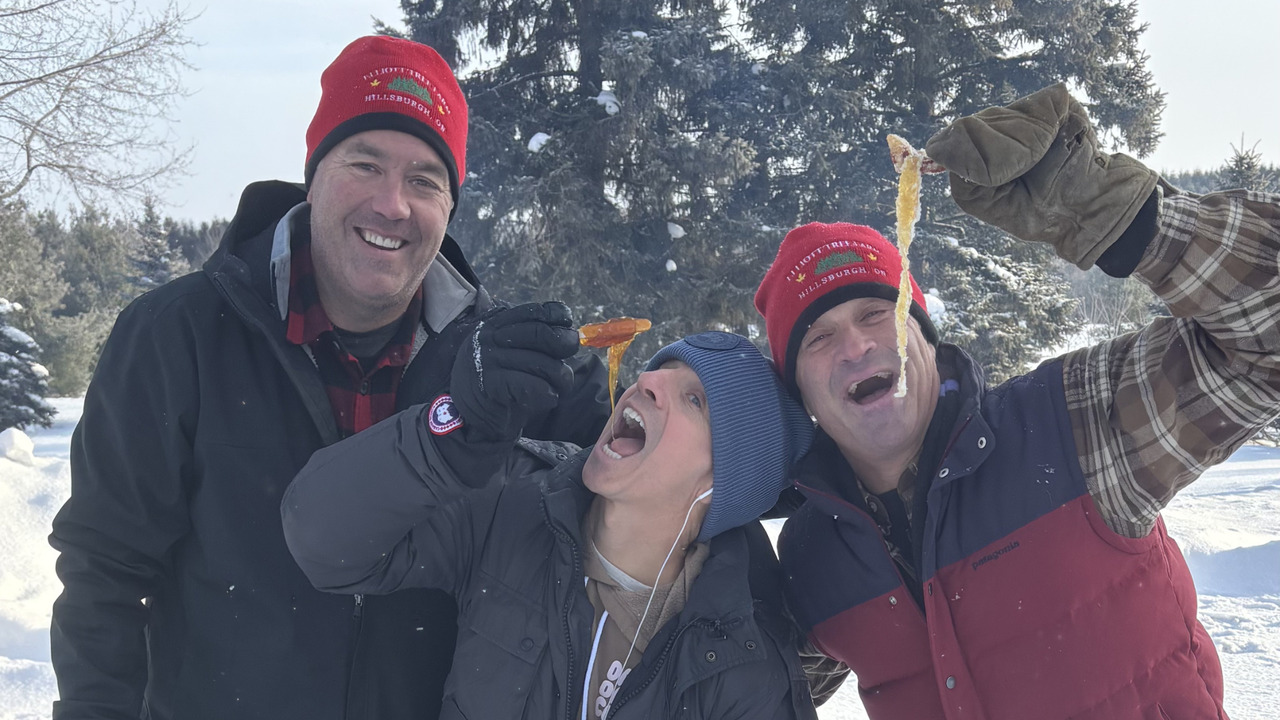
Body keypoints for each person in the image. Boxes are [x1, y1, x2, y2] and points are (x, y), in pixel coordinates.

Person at [47, 36, 610, 720]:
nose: (392, 204)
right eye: (364, 164)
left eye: (425, 180)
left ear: (449, 209)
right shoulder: (177, 335)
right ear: (313, 177)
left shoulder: (498, 370)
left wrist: (589, 416)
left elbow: (597, 557)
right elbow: (105, 569)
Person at [753, 83, 1280, 719]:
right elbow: (739, 694)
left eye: (877, 311)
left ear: (923, 336)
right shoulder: (815, 556)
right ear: (799, 390)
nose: (859, 346)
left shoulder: (1074, 427)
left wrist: (1121, 214)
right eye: (819, 338)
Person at [282, 331, 819, 720]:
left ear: (724, 483)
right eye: (661, 370)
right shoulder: (513, 503)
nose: (648, 380)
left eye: (695, 400)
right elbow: (323, 541)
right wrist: (449, 429)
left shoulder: (744, 663)